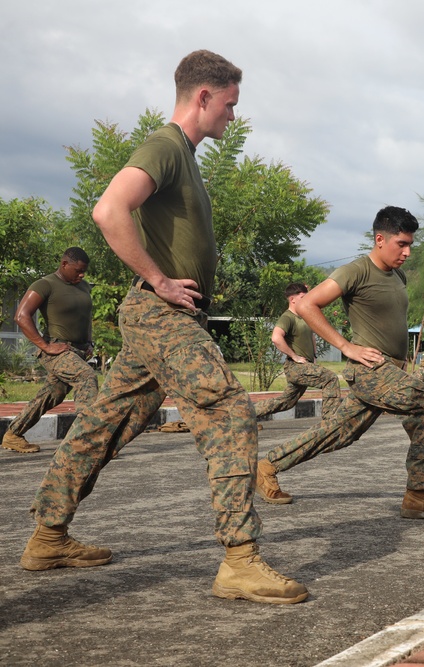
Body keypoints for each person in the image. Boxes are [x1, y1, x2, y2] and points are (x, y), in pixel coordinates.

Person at [20, 51, 307, 604]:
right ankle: (240, 561)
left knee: (102, 426)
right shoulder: (166, 145)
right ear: (204, 96)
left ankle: (48, 536)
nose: (233, 115)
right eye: (230, 104)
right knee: (228, 411)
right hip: (162, 314)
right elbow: (110, 211)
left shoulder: (186, 156)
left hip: (163, 318)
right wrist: (159, 280)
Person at [255, 206, 424, 519]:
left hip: (389, 369)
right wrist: (345, 346)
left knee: (339, 433)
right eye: (401, 244)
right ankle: (420, 493)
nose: (407, 252)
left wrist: (400, 361)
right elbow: (309, 305)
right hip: (369, 369)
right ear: (380, 239)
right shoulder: (356, 271)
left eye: (410, 245)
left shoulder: (398, 275)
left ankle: (266, 466)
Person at [3, 248, 98, 454]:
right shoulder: (45, 284)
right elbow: (21, 316)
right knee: (86, 377)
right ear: (64, 264)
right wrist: (45, 346)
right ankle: (86, 441)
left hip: (78, 350)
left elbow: (86, 316)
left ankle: (13, 434)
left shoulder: (83, 286)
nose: (82, 275)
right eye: (78, 270)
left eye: (84, 271)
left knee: (52, 394)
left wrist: (89, 342)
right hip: (57, 349)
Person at [252, 282, 342, 430]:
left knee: (287, 401)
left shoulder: (304, 316)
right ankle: (330, 424)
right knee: (330, 378)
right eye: (303, 297)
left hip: (305, 364)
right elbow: (276, 337)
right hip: (295, 367)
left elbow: (312, 336)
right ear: (292, 299)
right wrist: (294, 356)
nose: (306, 299)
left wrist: (314, 357)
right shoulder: (287, 317)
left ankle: (245, 417)